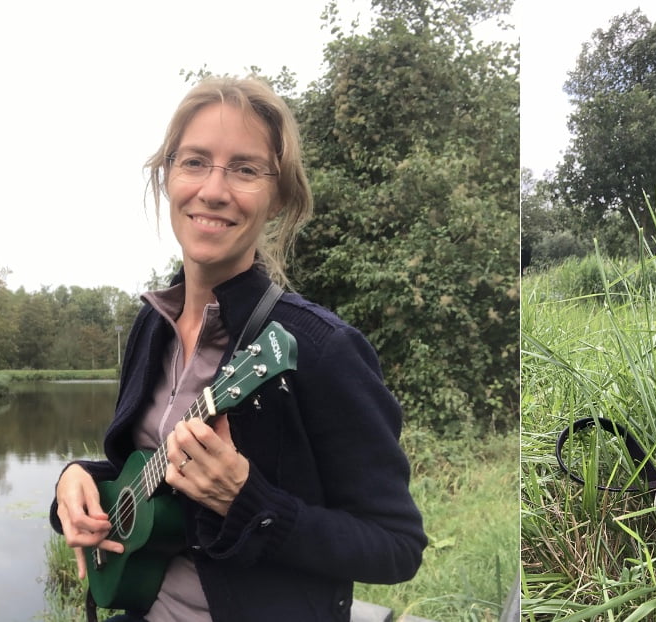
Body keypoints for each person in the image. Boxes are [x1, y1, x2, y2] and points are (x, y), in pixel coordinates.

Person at [49, 76, 426, 621]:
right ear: (168, 177)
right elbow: (140, 471)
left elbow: (396, 547)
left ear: (278, 199)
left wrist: (250, 502)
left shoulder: (320, 348)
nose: (214, 190)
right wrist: (77, 482)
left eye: (245, 169)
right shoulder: (150, 327)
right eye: (195, 161)